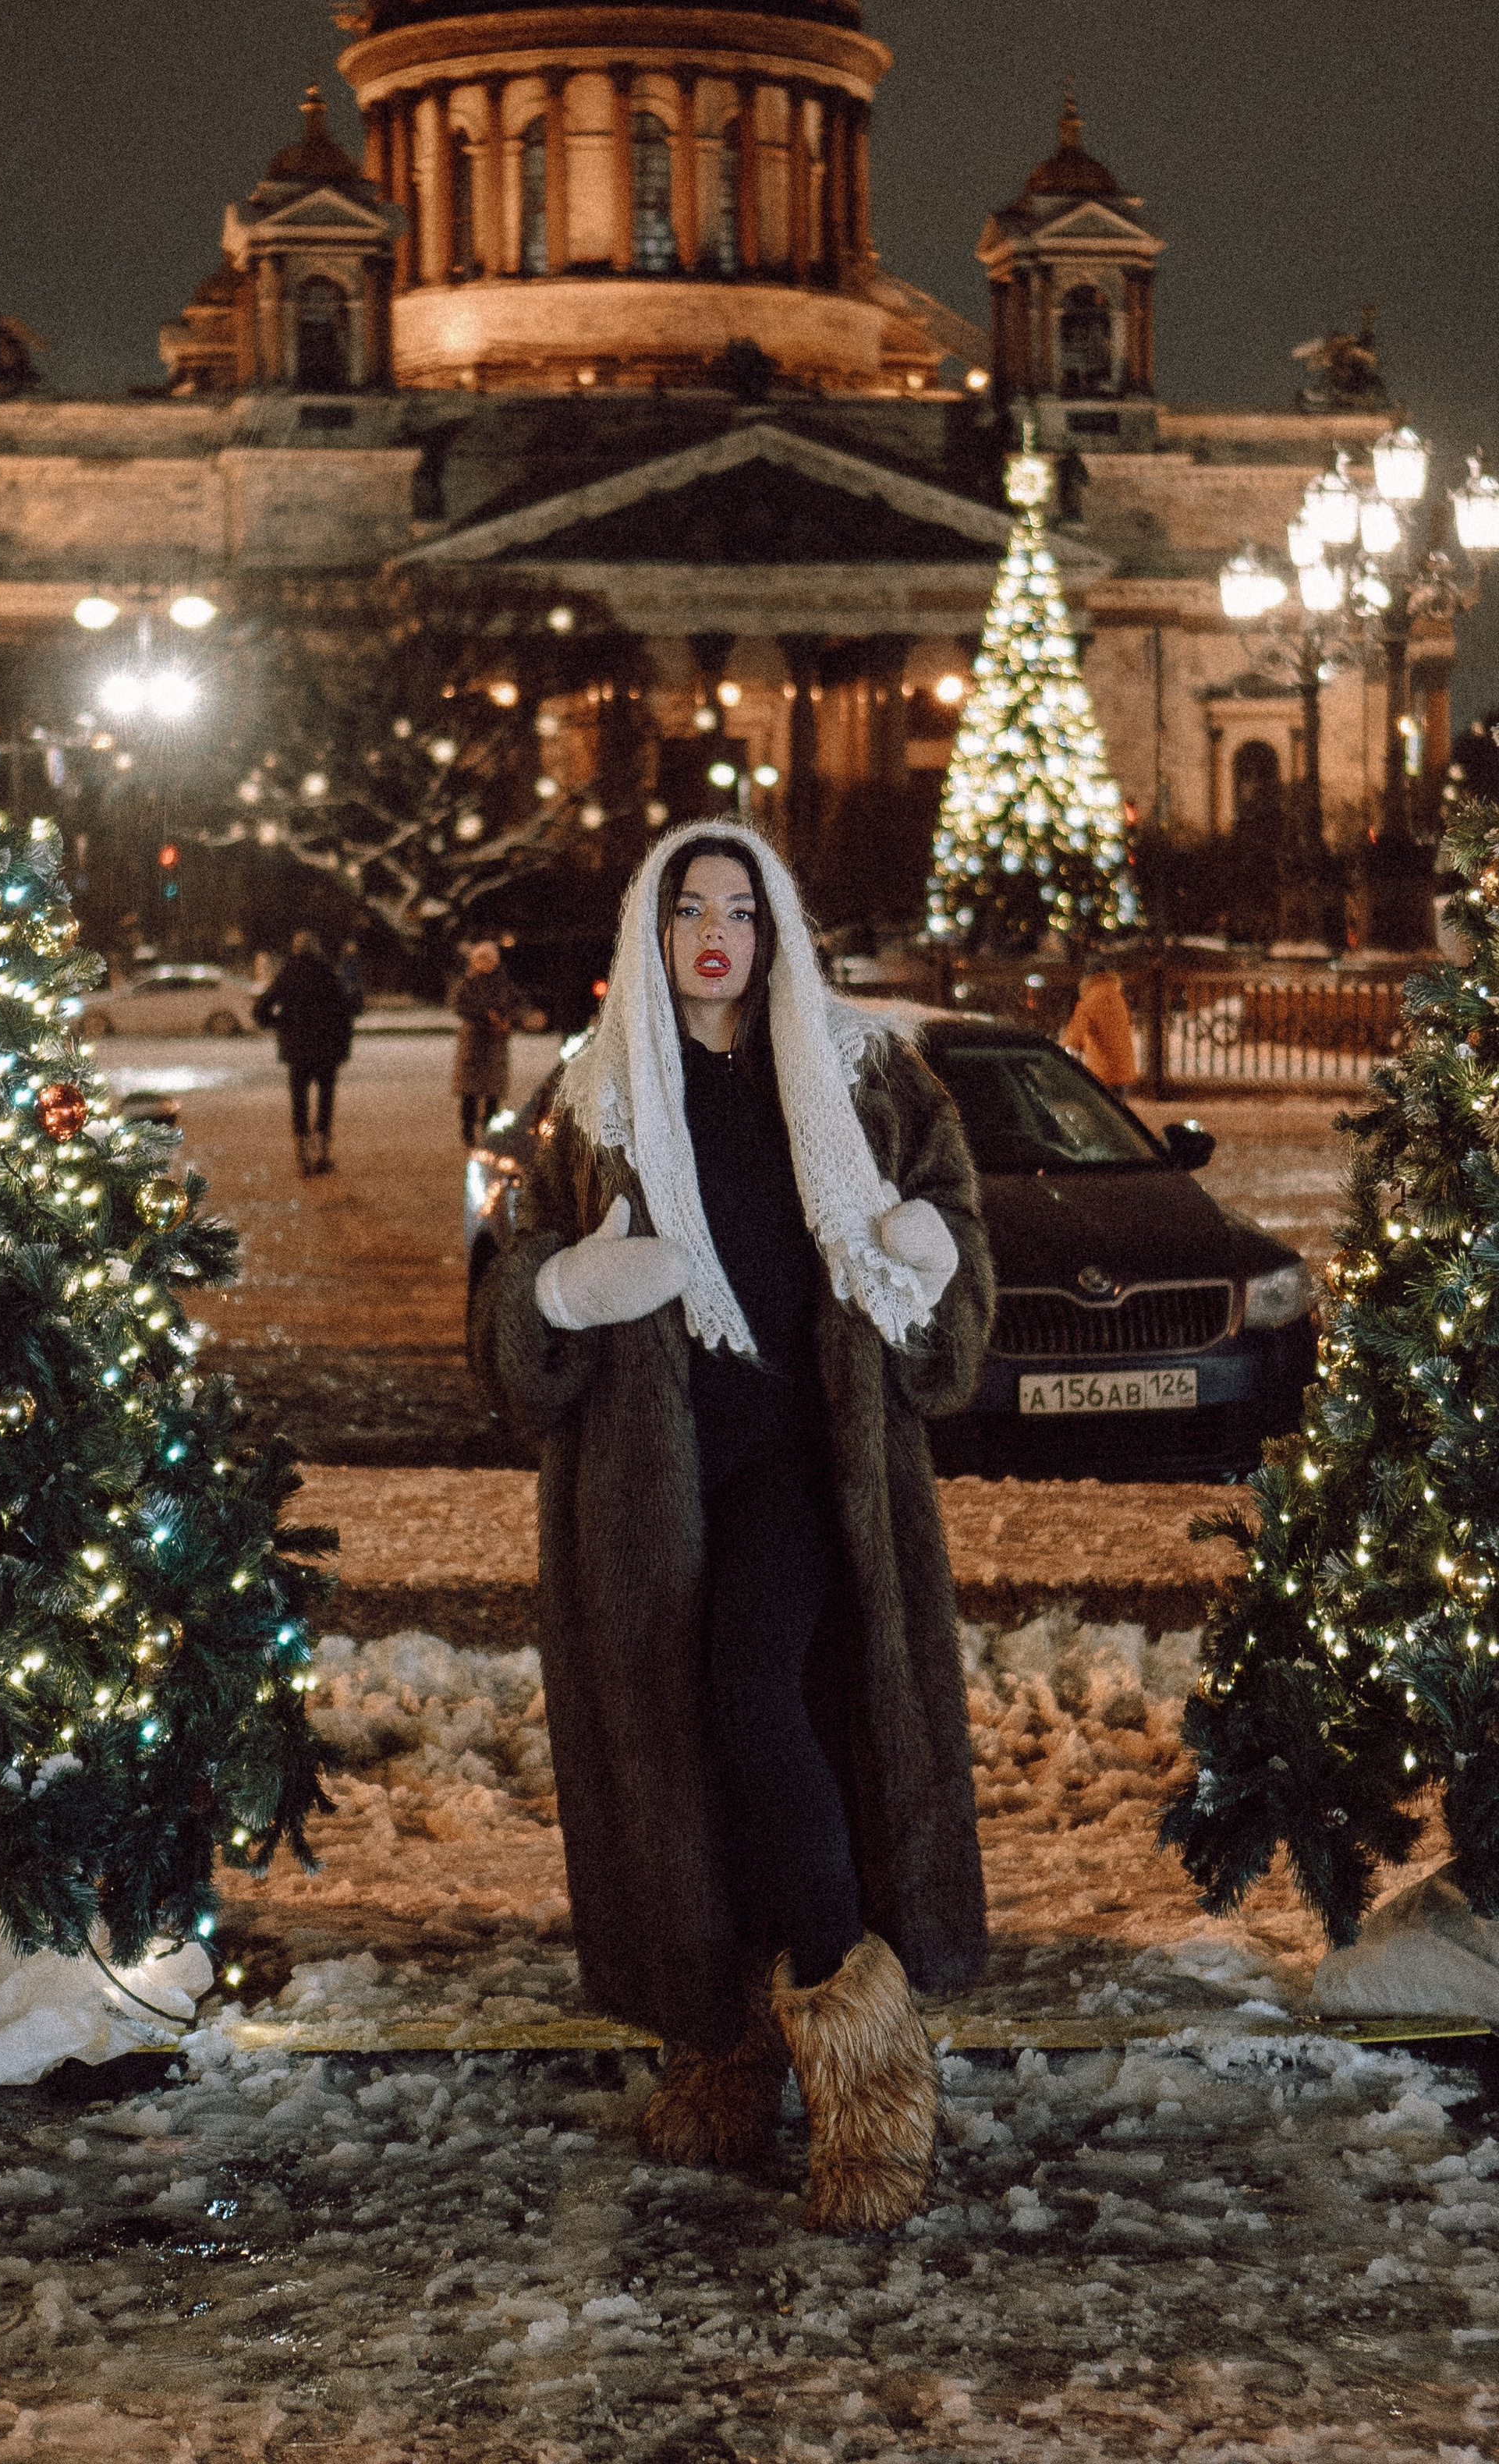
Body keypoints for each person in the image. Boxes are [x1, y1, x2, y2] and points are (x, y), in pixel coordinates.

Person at [472, 822, 992, 2232]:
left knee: (758, 1696)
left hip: (811, 1470)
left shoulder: (868, 1076)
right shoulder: (588, 1103)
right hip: (650, 1490)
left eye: (743, 910)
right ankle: (724, 2047)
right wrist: (562, 1291)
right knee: (691, 1748)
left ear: (778, 929)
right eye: (690, 909)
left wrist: (933, 1254)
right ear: (650, 930)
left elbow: (950, 1243)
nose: (717, 936)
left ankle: (866, 2061)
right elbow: (506, 1305)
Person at [253, 930, 355, 1175]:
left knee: (299, 1102)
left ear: (296, 949)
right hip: (326, 1049)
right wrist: (343, 1047)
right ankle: (322, 1153)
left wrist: (280, 1025)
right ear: (316, 948)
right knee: (325, 1101)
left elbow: (260, 1010)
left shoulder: (288, 974)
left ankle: (302, 1156)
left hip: (297, 1051)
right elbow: (345, 1012)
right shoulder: (328, 973)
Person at [452, 938, 516, 1146]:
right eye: (482, 959)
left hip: (495, 1041)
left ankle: (490, 1131)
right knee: (470, 1092)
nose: (486, 963)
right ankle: (468, 1131)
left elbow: (514, 1003)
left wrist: (508, 1020)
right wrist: (485, 1016)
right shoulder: (468, 981)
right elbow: (459, 1005)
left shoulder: (502, 981)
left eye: (490, 959)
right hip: (474, 1041)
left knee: (492, 1093)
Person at [1059, 964, 1139, 1088]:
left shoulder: (1090, 1000)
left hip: (1103, 1071)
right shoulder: (1118, 998)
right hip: (1124, 1069)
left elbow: (1075, 1034)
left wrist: (1061, 1050)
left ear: (1087, 979)